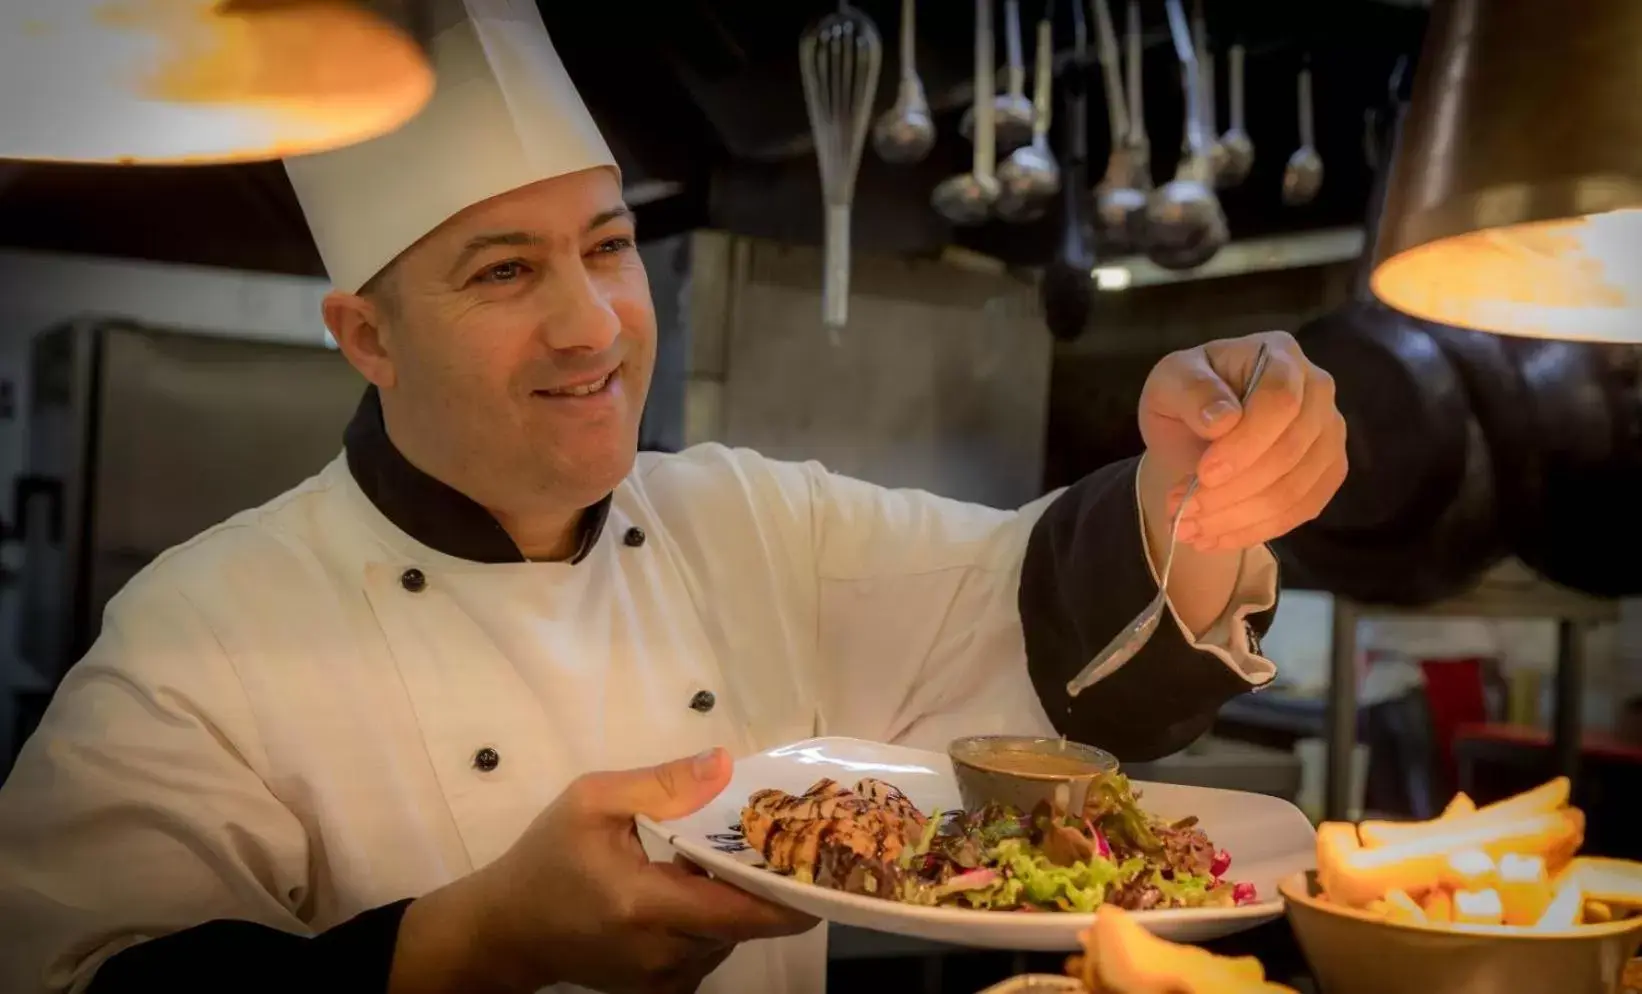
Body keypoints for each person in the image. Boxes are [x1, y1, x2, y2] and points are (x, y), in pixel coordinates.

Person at [0, 3, 1347, 993]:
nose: (592, 326)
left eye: (606, 247)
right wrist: (462, 944)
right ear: (367, 335)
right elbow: (76, 971)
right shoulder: (200, 629)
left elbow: (1049, 612)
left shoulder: (762, 525)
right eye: (504, 273)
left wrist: (1198, 484)